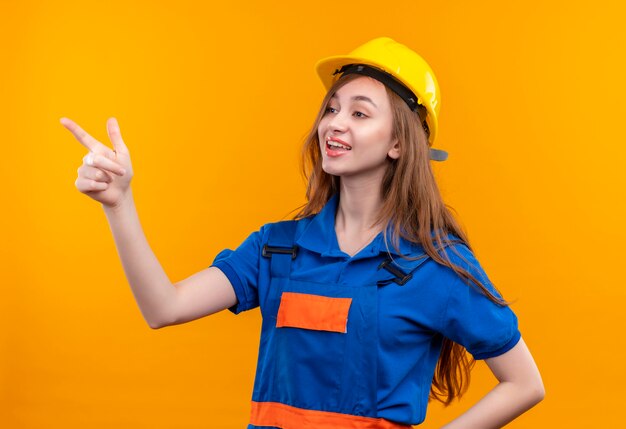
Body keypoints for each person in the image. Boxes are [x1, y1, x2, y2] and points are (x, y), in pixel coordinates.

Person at [61, 37, 544, 429]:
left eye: (359, 113)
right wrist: (119, 205)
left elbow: (525, 383)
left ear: (399, 142)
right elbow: (162, 308)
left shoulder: (434, 266)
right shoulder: (277, 249)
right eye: (331, 109)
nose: (333, 124)